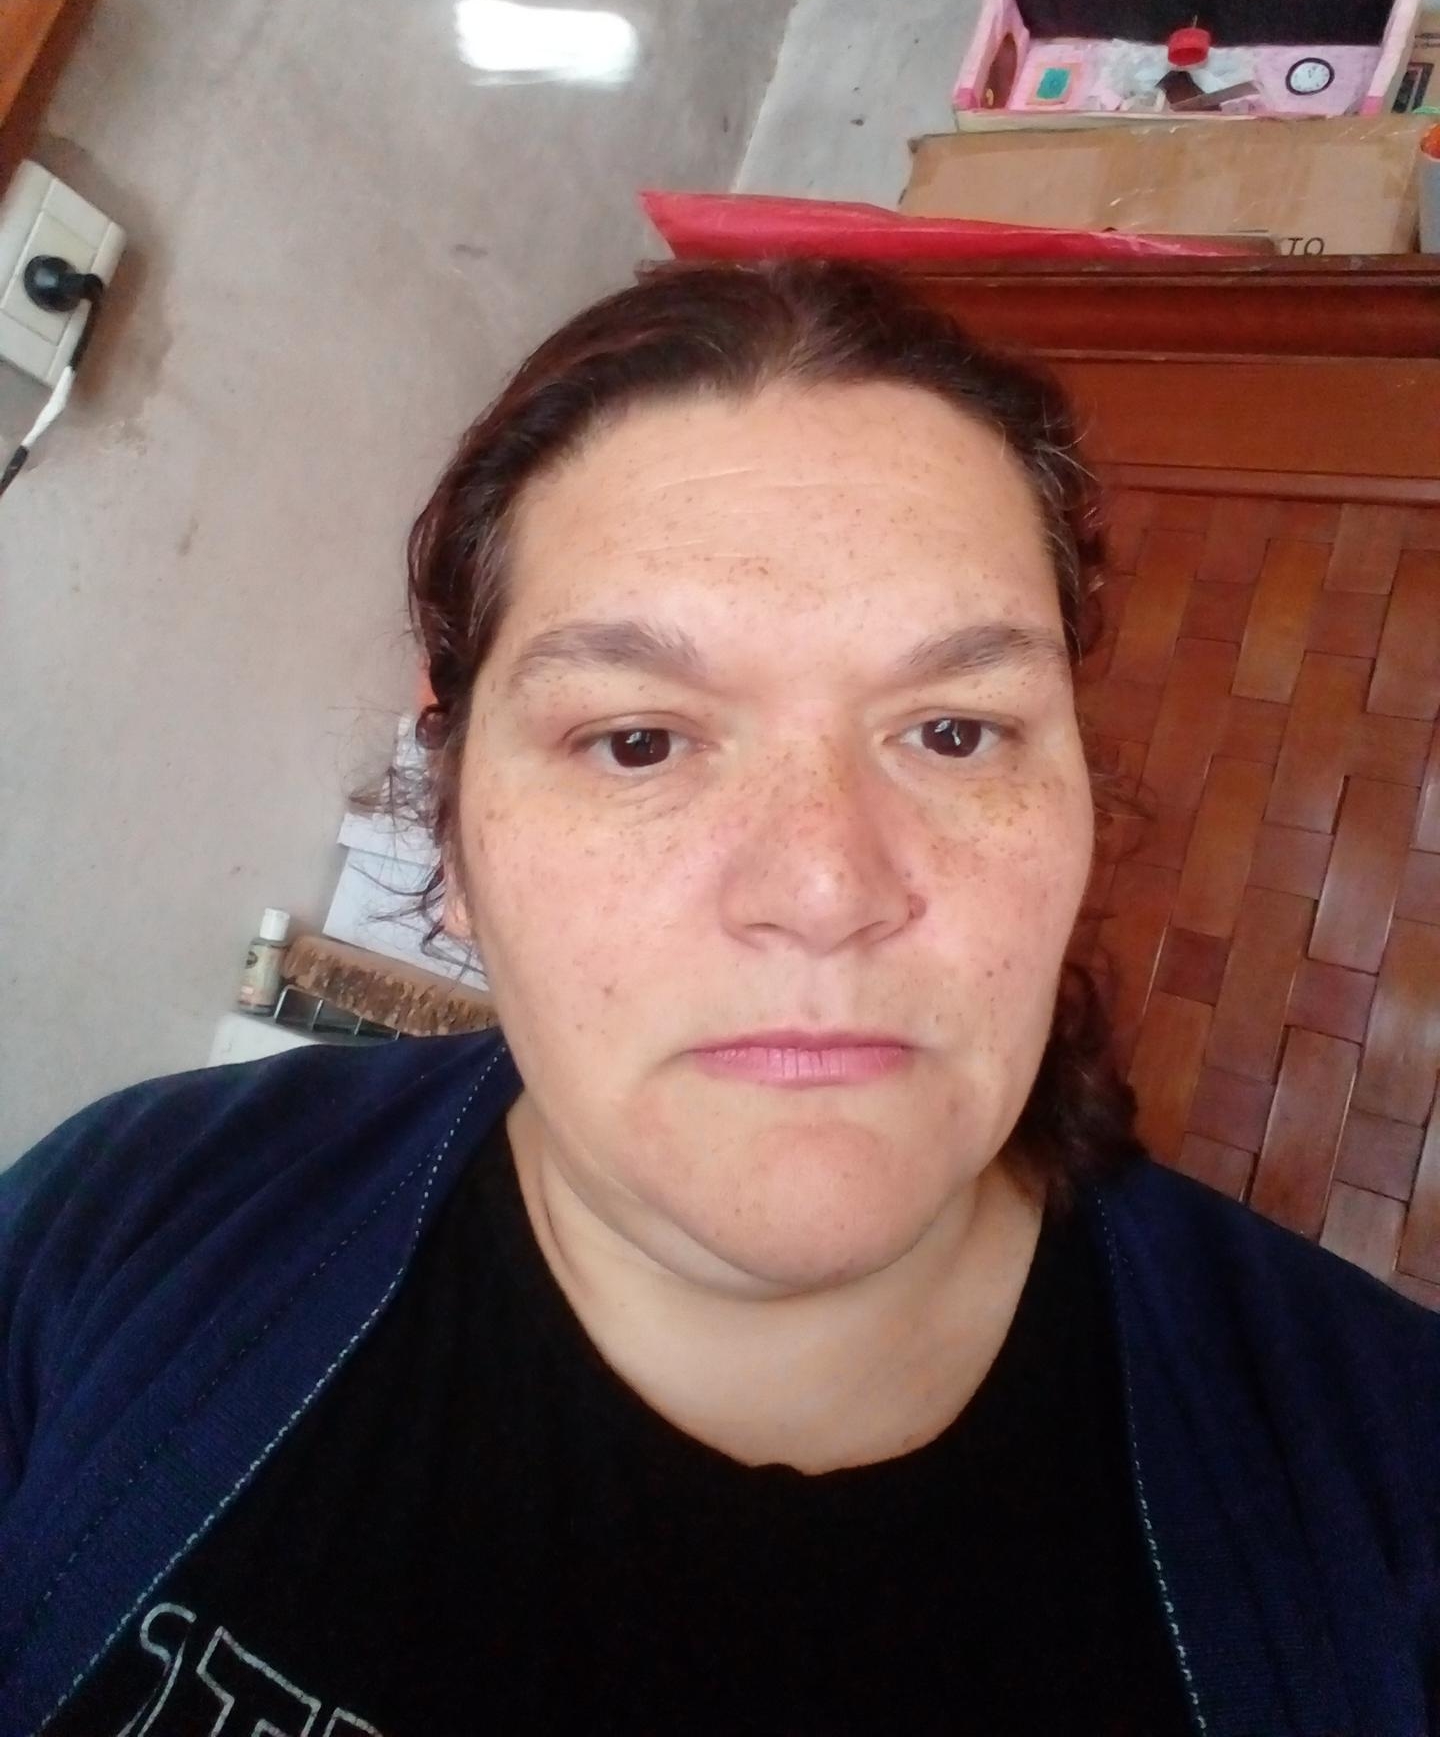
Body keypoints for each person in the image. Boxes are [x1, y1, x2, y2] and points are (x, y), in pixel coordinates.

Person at [1, 260, 1435, 1737]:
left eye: (954, 731)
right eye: (638, 742)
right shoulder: (124, 1220)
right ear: (453, 837)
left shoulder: (1388, 1498)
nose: (823, 886)